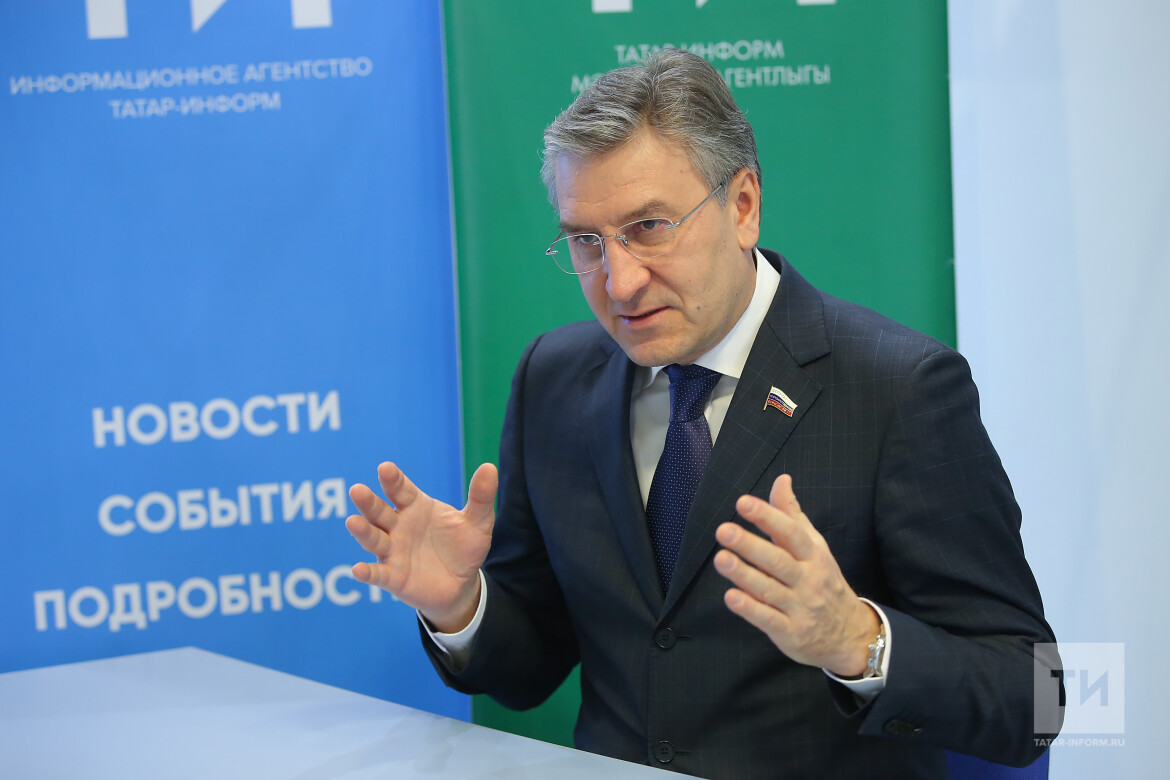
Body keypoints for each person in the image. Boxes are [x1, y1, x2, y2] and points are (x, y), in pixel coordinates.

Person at [346, 49, 1061, 779]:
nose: (619, 282)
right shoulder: (553, 379)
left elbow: (1038, 696)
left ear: (742, 206)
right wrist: (462, 606)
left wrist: (858, 640)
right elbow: (529, 666)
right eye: (586, 241)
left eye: (649, 227)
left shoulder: (899, 388)